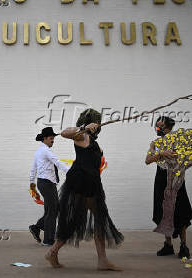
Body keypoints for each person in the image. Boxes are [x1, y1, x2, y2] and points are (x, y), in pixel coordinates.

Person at [45, 109, 124, 271]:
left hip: (92, 184)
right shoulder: (82, 136)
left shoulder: (93, 141)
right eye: (97, 121)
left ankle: (102, 261)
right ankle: (53, 251)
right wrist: (85, 128)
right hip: (81, 183)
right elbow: (64, 132)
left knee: (98, 220)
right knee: (76, 220)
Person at [145, 116, 192, 258]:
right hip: (161, 178)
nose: (157, 129)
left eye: (160, 126)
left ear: (168, 127)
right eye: (157, 125)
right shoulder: (155, 142)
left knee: (181, 210)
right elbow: (147, 160)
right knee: (163, 210)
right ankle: (168, 245)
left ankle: (184, 246)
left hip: (175, 178)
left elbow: (182, 159)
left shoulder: (178, 141)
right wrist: (160, 153)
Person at [29, 127, 69, 246]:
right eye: (51, 138)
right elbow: (57, 162)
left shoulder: (39, 151)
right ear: (45, 138)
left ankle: (37, 227)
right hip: (47, 183)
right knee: (53, 210)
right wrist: (70, 172)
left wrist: (32, 184)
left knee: (51, 209)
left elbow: (33, 169)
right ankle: (48, 240)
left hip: (44, 183)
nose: (53, 139)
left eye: (53, 138)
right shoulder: (46, 151)